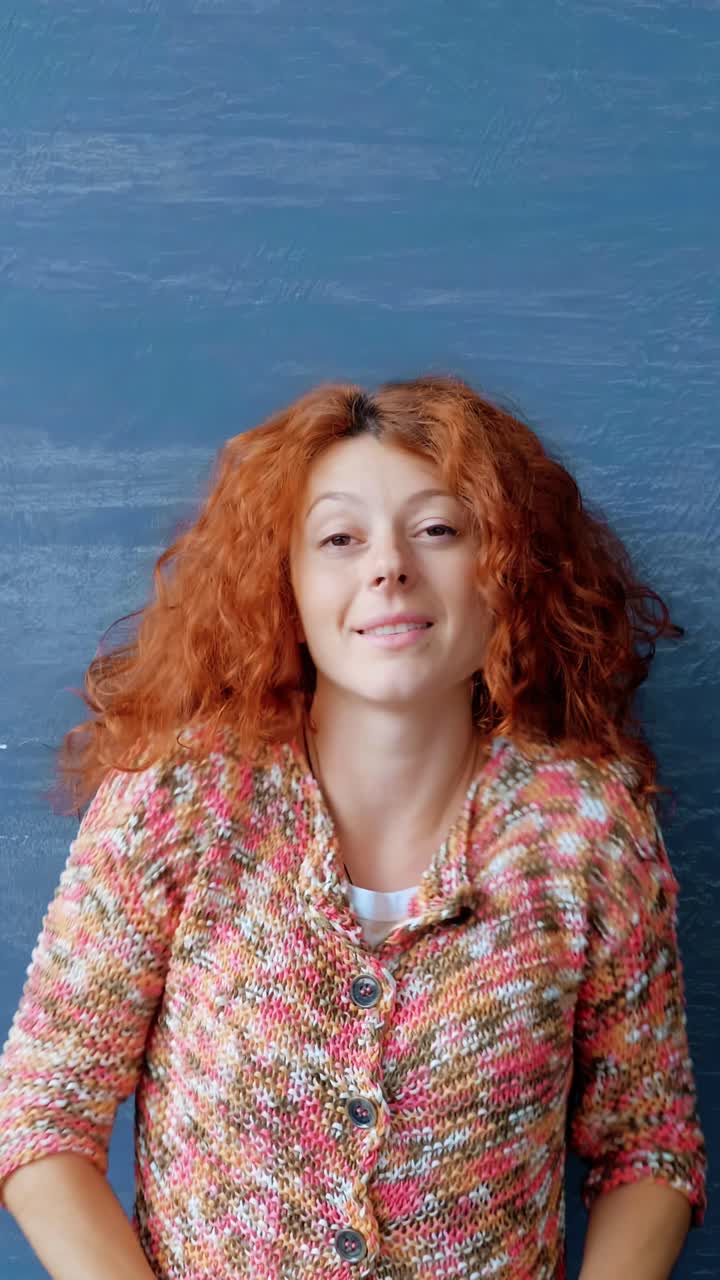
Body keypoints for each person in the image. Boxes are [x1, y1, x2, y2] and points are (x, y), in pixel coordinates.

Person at [0, 374, 708, 1280]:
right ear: (284, 583)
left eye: (439, 529)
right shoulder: (177, 800)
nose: (389, 567)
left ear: (508, 569)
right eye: (340, 538)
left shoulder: (588, 827)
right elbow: (41, 1116)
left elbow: (648, 1146)